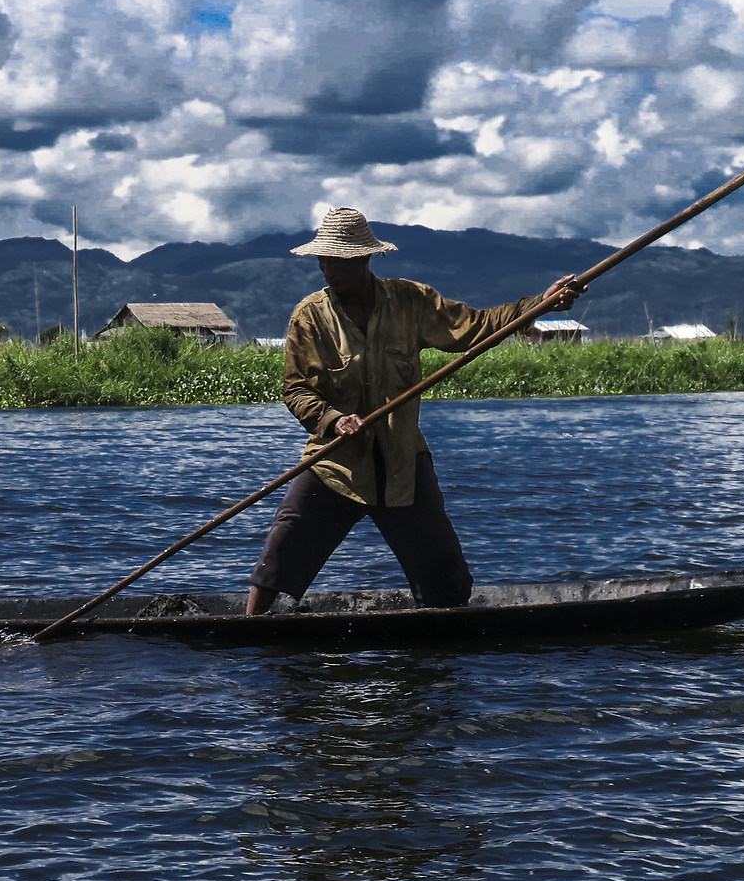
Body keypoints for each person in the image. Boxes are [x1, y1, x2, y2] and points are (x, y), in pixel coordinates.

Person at [245, 207, 584, 615]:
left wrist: (539, 306)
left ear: (362, 259)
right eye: (324, 259)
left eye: (337, 259)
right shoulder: (311, 317)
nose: (327, 269)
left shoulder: (410, 301)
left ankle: (442, 641)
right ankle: (253, 631)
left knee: (446, 582)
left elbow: (474, 326)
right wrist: (333, 420)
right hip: (336, 465)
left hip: (402, 463)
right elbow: (297, 389)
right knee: (277, 562)